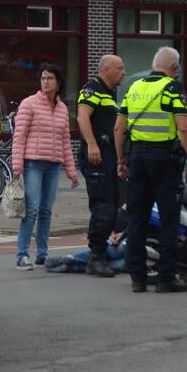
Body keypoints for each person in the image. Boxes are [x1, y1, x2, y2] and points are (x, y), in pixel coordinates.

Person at [114, 47, 187, 293]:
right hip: (165, 160)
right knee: (169, 219)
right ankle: (165, 278)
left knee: (137, 220)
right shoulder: (172, 88)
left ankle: (138, 278)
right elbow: (183, 128)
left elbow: (119, 128)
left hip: (138, 158)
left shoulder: (134, 87)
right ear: (175, 66)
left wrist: (122, 159)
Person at [11, 63, 79, 270]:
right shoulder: (29, 104)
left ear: (58, 83)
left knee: (46, 210)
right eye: (43, 78)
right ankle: (22, 255)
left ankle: (42, 254)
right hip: (33, 163)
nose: (46, 82)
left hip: (53, 165)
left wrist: (72, 171)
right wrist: (17, 165)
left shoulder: (62, 109)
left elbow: (65, 142)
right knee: (31, 209)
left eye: (50, 78)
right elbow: (19, 136)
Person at [77, 54, 126, 278]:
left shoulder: (110, 93)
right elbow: (82, 116)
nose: (123, 73)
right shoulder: (92, 88)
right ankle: (95, 258)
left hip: (110, 158)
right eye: (120, 68)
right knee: (103, 207)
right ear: (106, 69)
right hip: (97, 157)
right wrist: (92, 144)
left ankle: (102, 252)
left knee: (115, 206)